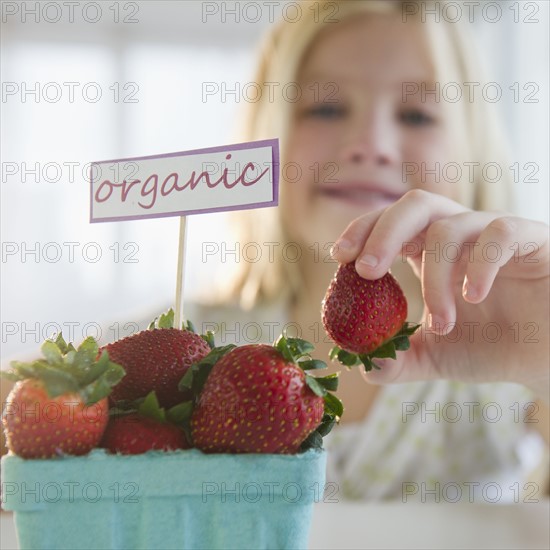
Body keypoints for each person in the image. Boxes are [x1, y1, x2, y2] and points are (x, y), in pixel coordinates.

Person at [192, 0, 549, 500]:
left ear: (473, 155)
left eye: (416, 114)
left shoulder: (518, 365)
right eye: (326, 108)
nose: (370, 144)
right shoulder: (174, 352)